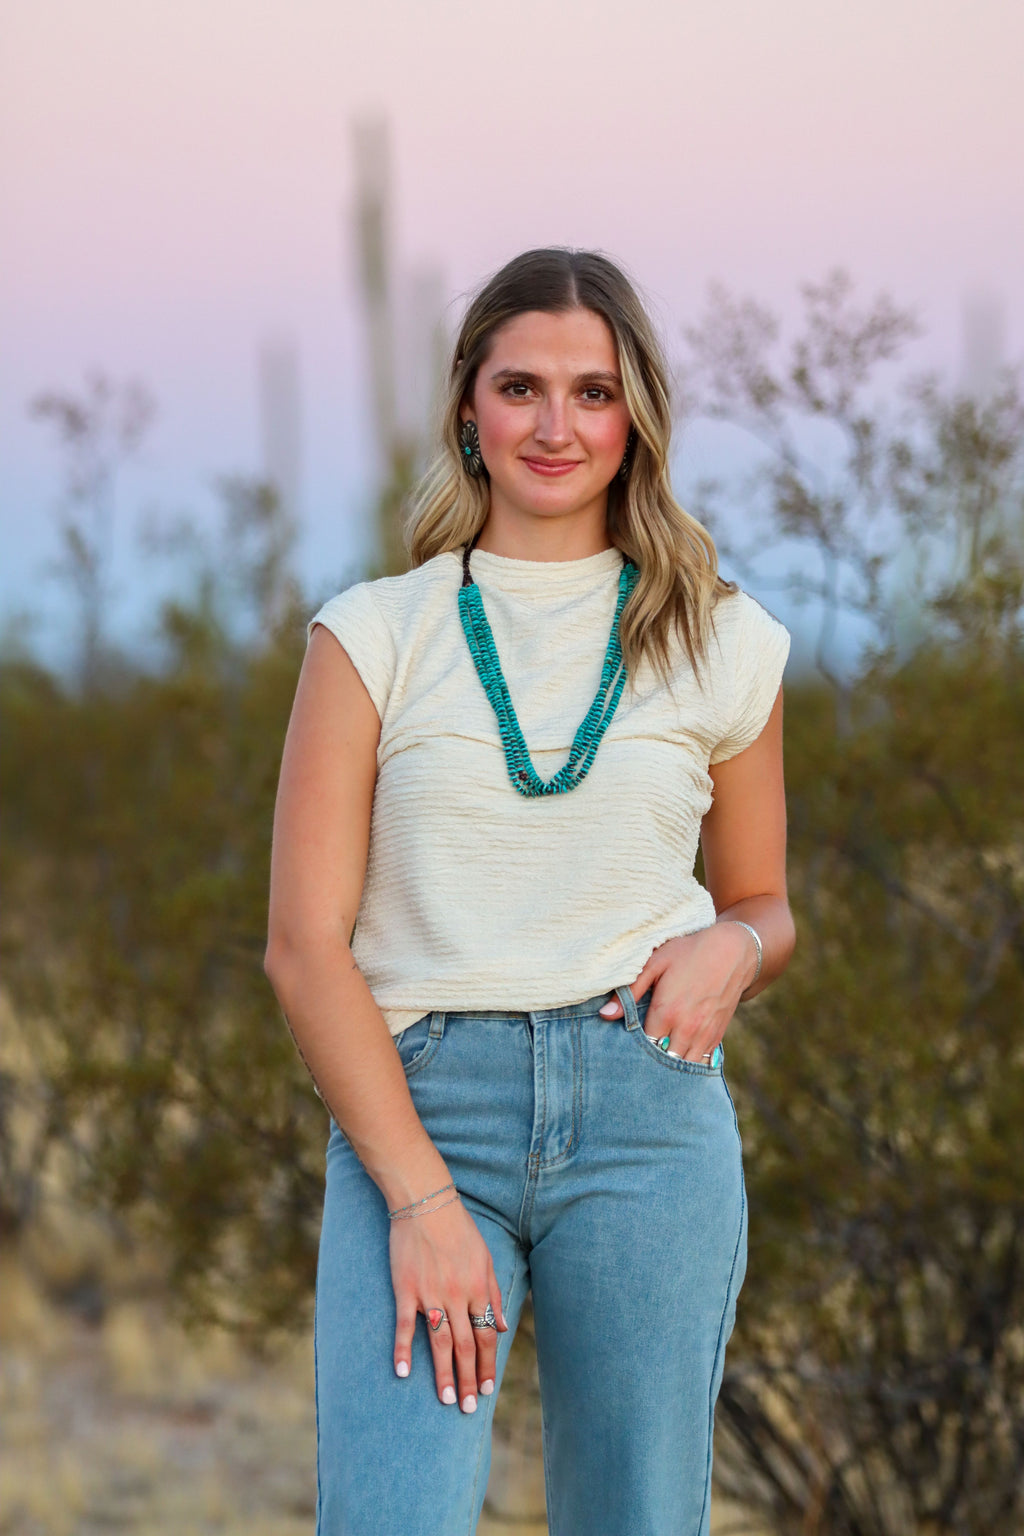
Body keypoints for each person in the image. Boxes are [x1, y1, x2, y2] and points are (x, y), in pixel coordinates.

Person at [264, 247, 795, 1536]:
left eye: (594, 392)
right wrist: (422, 1199)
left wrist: (737, 944)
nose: (556, 427)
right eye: (521, 388)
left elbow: (767, 902)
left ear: (636, 417)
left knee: (638, 1519)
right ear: (469, 408)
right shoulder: (374, 634)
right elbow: (301, 948)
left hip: (646, 1116)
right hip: (424, 1111)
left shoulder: (719, 636)